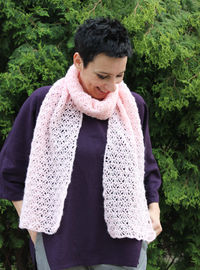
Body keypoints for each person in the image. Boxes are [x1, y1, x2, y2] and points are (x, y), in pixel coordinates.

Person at [0, 17, 162, 270]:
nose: (111, 86)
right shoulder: (45, 104)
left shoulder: (133, 106)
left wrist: (154, 210)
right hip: (60, 246)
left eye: (119, 75)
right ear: (78, 61)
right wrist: (32, 225)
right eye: (102, 75)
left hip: (123, 246)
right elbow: (10, 170)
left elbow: (147, 169)